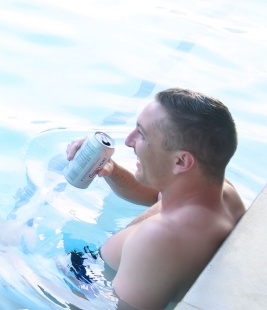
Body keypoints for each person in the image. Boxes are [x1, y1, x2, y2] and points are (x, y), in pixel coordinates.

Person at [64, 90, 243, 309]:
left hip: (89, 286)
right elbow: (155, 198)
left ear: (181, 161)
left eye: (142, 134)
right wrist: (112, 169)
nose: (129, 141)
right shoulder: (222, 193)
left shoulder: (158, 241)